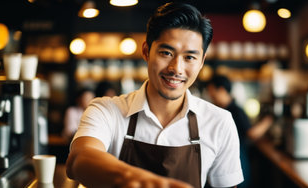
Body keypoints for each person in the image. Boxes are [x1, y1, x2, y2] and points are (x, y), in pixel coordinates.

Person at [66, 3, 243, 188]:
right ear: (146, 51)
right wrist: (143, 183)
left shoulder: (220, 122)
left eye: (189, 57)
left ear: (201, 62)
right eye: (166, 53)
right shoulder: (106, 110)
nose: (176, 68)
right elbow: (78, 159)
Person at [206, 75, 252, 188]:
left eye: (212, 92)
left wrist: (268, 120)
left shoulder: (235, 111)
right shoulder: (221, 110)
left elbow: (251, 133)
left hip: (238, 158)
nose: (211, 96)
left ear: (221, 90)